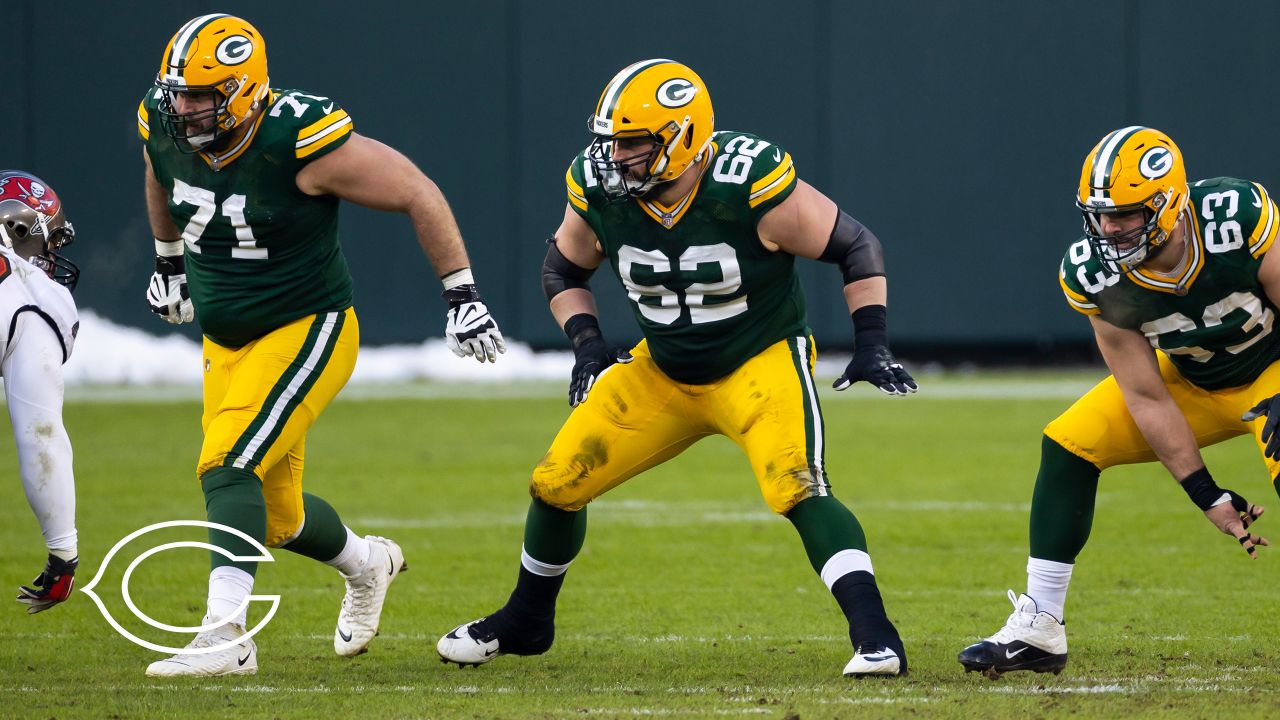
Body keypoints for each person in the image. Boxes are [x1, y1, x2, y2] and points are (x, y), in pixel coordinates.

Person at [436, 58, 917, 677]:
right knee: (556, 482)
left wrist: (871, 341)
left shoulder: (747, 181)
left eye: (633, 143)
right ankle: (528, 620)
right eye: (611, 142)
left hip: (757, 360)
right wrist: (587, 344)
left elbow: (856, 245)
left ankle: (877, 638)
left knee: (797, 484)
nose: (617, 157)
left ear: (684, 137)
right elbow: (563, 268)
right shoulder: (599, 186)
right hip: (661, 368)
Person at [137, 14, 505, 677]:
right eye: (178, 94)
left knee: (227, 465)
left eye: (201, 96)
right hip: (226, 339)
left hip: (308, 327)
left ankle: (226, 639)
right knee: (273, 517)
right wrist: (168, 262)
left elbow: (418, 192)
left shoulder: (301, 138)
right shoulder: (162, 125)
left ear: (246, 92)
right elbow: (159, 174)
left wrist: (463, 294)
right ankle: (370, 565)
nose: (183, 110)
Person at [958, 126, 1274, 677]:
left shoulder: (1235, 218)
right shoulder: (1094, 274)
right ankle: (1040, 627)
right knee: (1070, 443)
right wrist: (1205, 492)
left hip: (1271, 371)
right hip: (1192, 381)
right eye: (1100, 214)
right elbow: (1145, 395)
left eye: (1126, 213)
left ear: (1169, 203)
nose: (1110, 227)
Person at [0, 171, 81, 615]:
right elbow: (41, 438)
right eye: (49, 241)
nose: (51, 255)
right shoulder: (27, 292)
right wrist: (63, 554)